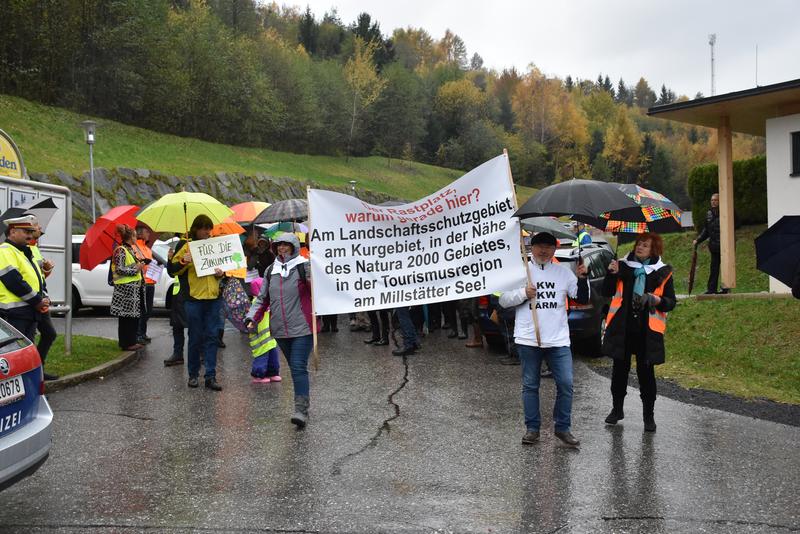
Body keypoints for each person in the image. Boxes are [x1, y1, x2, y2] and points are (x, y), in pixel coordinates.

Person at [499, 232, 589, 447]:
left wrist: (583, 278)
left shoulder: (564, 274)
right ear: (532, 247)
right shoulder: (522, 272)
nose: (543, 250)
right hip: (528, 338)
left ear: (554, 250)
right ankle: (532, 429)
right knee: (530, 385)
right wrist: (523, 293)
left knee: (566, 384)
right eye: (539, 246)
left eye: (548, 247)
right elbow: (503, 300)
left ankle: (562, 428)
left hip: (558, 341)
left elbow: (581, 297)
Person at [602, 233, 676, 433]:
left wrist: (655, 300)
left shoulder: (662, 272)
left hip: (647, 332)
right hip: (622, 328)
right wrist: (611, 273)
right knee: (619, 372)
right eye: (639, 244)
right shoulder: (623, 265)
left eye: (645, 245)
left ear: (654, 250)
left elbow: (671, 302)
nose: (640, 247)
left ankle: (648, 416)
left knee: (646, 375)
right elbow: (606, 291)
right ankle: (617, 410)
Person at [246, 232, 316, 428]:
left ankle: (301, 410)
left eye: (286, 245)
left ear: (293, 247)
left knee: (297, 366)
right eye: (279, 245)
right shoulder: (271, 270)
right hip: (279, 330)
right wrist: (252, 317)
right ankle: (302, 405)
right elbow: (262, 298)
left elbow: (318, 290)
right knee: (295, 367)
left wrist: (311, 278)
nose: (282, 248)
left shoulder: (304, 266)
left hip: (303, 327)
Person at [169, 215, 225, 391]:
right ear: (196, 229)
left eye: (209, 228)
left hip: (213, 299)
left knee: (212, 338)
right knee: (195, 338)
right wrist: (184, 260)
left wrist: (221, 274)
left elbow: (224, 270)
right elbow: (172, 270)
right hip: (194, 300)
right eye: (204, 228)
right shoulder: (185, 246)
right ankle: (193, 375)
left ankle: (210, 376)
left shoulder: (214, 245)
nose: (207, 232)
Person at [0, 215, 51, 348]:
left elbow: (38, 278)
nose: (30, 236)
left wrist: (44, 297)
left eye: (30, 232)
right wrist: (37, 300)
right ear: (12, 232)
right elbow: (13, 281)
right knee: (14, 351)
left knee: (26, 352)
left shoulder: (24, 252)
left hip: (29, 311)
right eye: (26, 232)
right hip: (14, 314)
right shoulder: (5, 251)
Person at [28, 222, 59, 380]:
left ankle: (38, 369)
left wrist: (46, 269)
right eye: (37, 226)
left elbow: (39, 277)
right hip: (31, 302)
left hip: (41, 300)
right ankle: (34, 373)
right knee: (29, 340)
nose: (40, 229)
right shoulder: (23, 249)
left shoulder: (35, 248)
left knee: (49, 334)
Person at [110, 224, 146, 351]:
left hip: (133, 289)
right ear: (131, 237)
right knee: (126, 317)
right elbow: (120, 269)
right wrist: (136, 269)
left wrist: (138, 265)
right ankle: (126, 343)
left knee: (133, 317)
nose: (137, 238)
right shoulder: (121, 250)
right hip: (126, 290)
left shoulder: (129, 249)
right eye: (135, 236)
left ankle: (131, 340)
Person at [693, 193, 728, 294]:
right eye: (712, 200)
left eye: (715, 200)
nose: (713, 202)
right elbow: (706, 230)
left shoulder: (726, 211)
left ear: (720, 201)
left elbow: (736, 224)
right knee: (714, 268)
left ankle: (725, 288)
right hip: (714, 246)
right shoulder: (709, 213)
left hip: (725, 246)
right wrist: (698, 240)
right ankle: (711, 289)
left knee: (725, 268)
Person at [133, 224, 157, 345]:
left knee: (148, 310)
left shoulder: (148, 249)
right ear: (140, 234)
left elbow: (150, 265)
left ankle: (143, 332)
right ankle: (138, 334)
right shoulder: (134, 247)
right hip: (141, 283)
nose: (149, 234)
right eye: (146, 232)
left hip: (150, 283)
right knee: (141, 310)